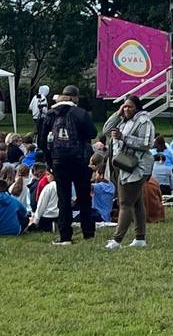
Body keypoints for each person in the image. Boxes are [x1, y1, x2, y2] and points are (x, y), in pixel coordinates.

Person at [38, 85, 97, 246]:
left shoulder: (51, 113)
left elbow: (42, 141)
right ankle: (88, 232)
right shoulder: (81, 113)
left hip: (58, 161)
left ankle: (65, 235)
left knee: (63, 198)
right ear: (75, 97)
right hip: (80, 160)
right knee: (84, 196)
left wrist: (49, 160)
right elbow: (92, 133)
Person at [102, 95, 154, 250]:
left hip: (137, 167)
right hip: (123, 166)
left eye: (130, 106)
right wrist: (118, 114)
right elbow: (106, 130)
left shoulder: (144, 121)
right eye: (124, 106)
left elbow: (146, 144)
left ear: (137, 107)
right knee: (137, 202)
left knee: (125, 203)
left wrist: (123, 137)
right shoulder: (123, 120)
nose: (126, 109)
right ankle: (140, 238)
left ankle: (117, 240)